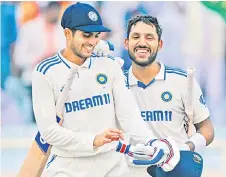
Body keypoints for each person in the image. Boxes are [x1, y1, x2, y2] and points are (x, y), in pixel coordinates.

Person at [32, 3, 179, 177]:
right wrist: (93, 140)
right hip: (69, 168)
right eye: (86, 35)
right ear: (67, 33)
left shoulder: (108, 65)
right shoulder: (46, 72)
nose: (93, 42)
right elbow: (49, 132)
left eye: (96, 35)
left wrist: (151, 142)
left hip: (113, 166)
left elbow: (128, 114)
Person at [123, 15, 215, 177]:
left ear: (160, 44)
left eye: (149, 37)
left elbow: (207, 129)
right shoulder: (116, 83)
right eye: (136, 37)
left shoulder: (182, 81)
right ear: (126, 43)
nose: (142, 43)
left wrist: (184, 149)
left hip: (174, 170)